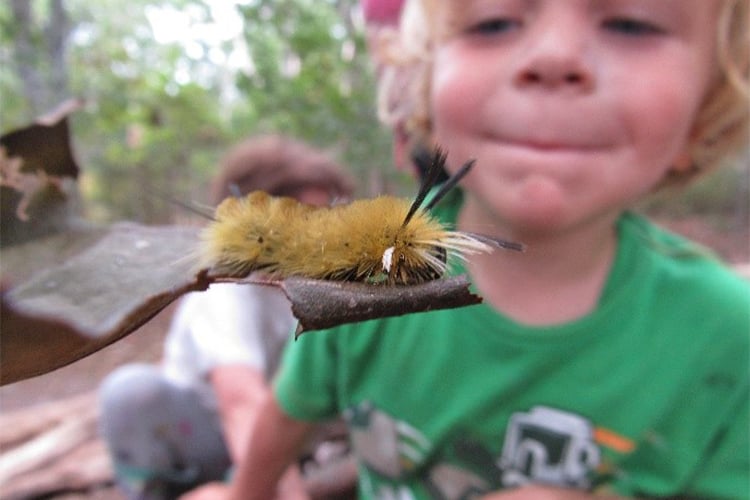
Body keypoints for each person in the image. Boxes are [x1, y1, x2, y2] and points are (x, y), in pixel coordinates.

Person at [189, 1, 749, 499]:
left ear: (705, 111)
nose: (554, 56)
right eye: (492, 23)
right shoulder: (359, 287)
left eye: (631, 23)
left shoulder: (730, 339)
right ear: (425, 95)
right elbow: (285, 417)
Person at [98, 135, 355, 500]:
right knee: (131, 393)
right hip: (210, 436)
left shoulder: (326, 285)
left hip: (289, 440)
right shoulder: (225, 288)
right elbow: (241, 401)